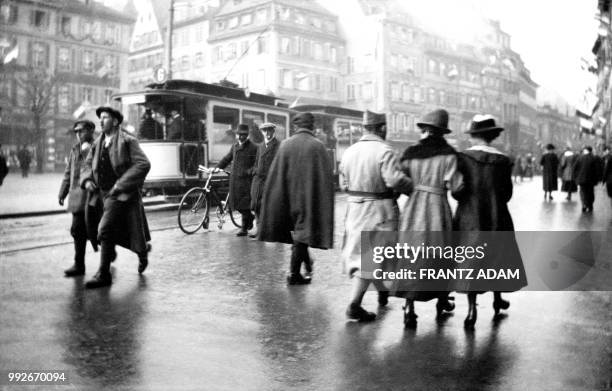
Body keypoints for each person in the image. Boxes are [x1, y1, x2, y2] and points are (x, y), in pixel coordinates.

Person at [452, 115, 527, 329]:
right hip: (497, 215)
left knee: (471, 261)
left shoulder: (462, 158)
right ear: (492, 136)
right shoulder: (503, 160)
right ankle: (497, 298)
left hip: (470, 216)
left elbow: (458, 192)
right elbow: (507, 193)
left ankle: (472, 309)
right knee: (497, 257)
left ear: (473, 136)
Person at [391, 108, 463, 328]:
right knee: (439, 252)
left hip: (414, 206)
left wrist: (412, 188)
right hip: (437, 207)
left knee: (412, 252)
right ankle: (442, 300)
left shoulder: (410, 152)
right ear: (442, 131)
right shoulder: (450, 154)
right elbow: (456, 186)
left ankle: (409, 307)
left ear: (423, 129)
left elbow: (396, 179)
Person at [340, 110, 413, 322]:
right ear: (382, 128)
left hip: (355, 208)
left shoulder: (350, 151)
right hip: (379, 209)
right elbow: (394, 180)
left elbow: (343, 184)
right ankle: (355, 305)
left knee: (363, 252)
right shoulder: (385, 151)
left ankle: (381, 292)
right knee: (372, 257)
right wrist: (412, 188)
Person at [258, 112, 334, 285]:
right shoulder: (318, 146)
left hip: (287, 199)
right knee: (302, 233)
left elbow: (276, 175)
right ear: (312, 126)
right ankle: (293, 274)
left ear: (296, 127)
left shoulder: (285, 145)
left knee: (299, 234)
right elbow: (325, 178)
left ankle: (306, 264)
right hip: (310, 199)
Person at [80, 106, 152, 289]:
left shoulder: (127, 140)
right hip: (101, 194)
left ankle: (104, 274)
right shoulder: (98, 142)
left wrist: (121, 184)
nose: (101, 121)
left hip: (120, 194)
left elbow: (143, 164)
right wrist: (87, 180)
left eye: (105, 118)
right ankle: (142, 251)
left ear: (115, 121)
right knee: (110, 231)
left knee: (104, 230)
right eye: (100, 118)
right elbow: (87, 165)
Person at [59, 120, 98, 277]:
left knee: (99, 231)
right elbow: (68, 173)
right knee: (77, 230)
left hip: (92, 197)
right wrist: (62, 193)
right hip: (77, 199)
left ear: (90, 131)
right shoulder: (74, 149)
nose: (78, 134)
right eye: (77, 132)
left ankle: (108, 255)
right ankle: (79, 264)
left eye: (81, 131)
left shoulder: (97, 147)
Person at [216, 124, 257, 236]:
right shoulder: (234, 146)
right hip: (235, 181)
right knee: (237, 205)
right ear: (236, 135)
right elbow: (227, 159)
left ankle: (244, 229)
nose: (241, 137)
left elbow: (257, 164)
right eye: (239, 135)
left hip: (246, 182)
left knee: (244, 205)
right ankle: (251, 217)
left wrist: (249, 172)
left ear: (247, 135)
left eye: (243, 135)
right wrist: (217, 168)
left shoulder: (254, 148)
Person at [249, 122, 280, 238]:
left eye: (269, 130)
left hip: (270, 180)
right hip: (259, 180)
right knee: (256, 204)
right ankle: (259, 229)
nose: (267, 133)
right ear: (262, 132)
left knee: (270, 205)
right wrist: (255, 171)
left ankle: (273, 230)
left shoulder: (278, 145)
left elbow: (278, 164)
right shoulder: (261, 146)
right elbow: (257, 162)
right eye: (265, 130)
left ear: (273, 131)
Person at [572, 146, 602, 213]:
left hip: (581, 179)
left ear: (585, 150)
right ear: (590, 151)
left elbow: (574, 168)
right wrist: (598, 179)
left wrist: (576, 177)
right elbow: (597, 170)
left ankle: (584, 205)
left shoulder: (579, 158)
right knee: (590, 192)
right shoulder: (594, 158)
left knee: (582, 192)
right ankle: (590, 205)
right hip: (591, 179)